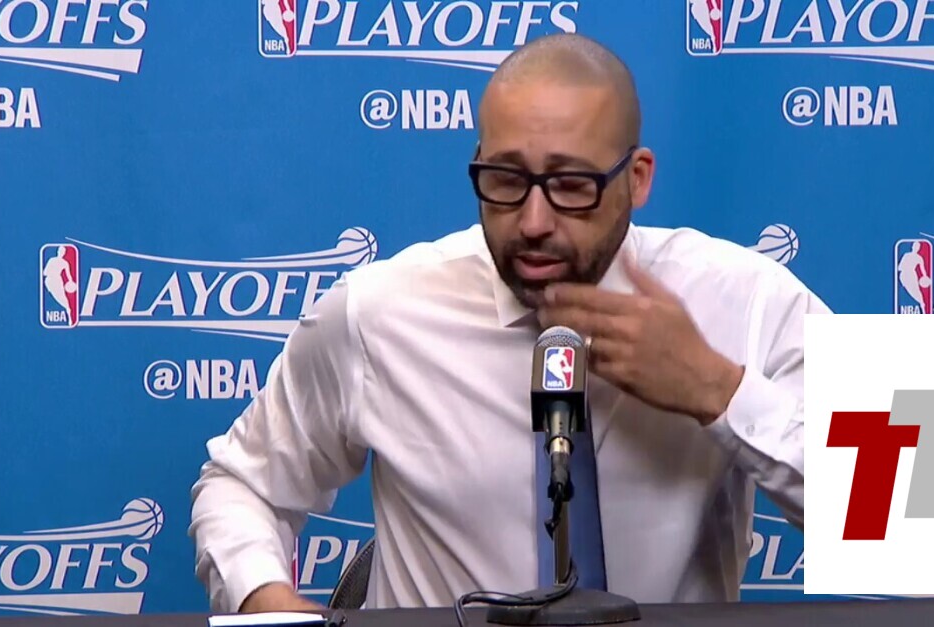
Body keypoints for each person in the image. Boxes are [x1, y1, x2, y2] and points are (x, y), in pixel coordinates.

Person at [188, 32, 830, 614]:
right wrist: (266, 602)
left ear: (636, 179)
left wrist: (718, 391)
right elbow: (240, 483)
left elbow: (895, 515)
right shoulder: (378, 311)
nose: (533, 222)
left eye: (571, 184)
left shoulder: (750, 300)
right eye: (505, 179)